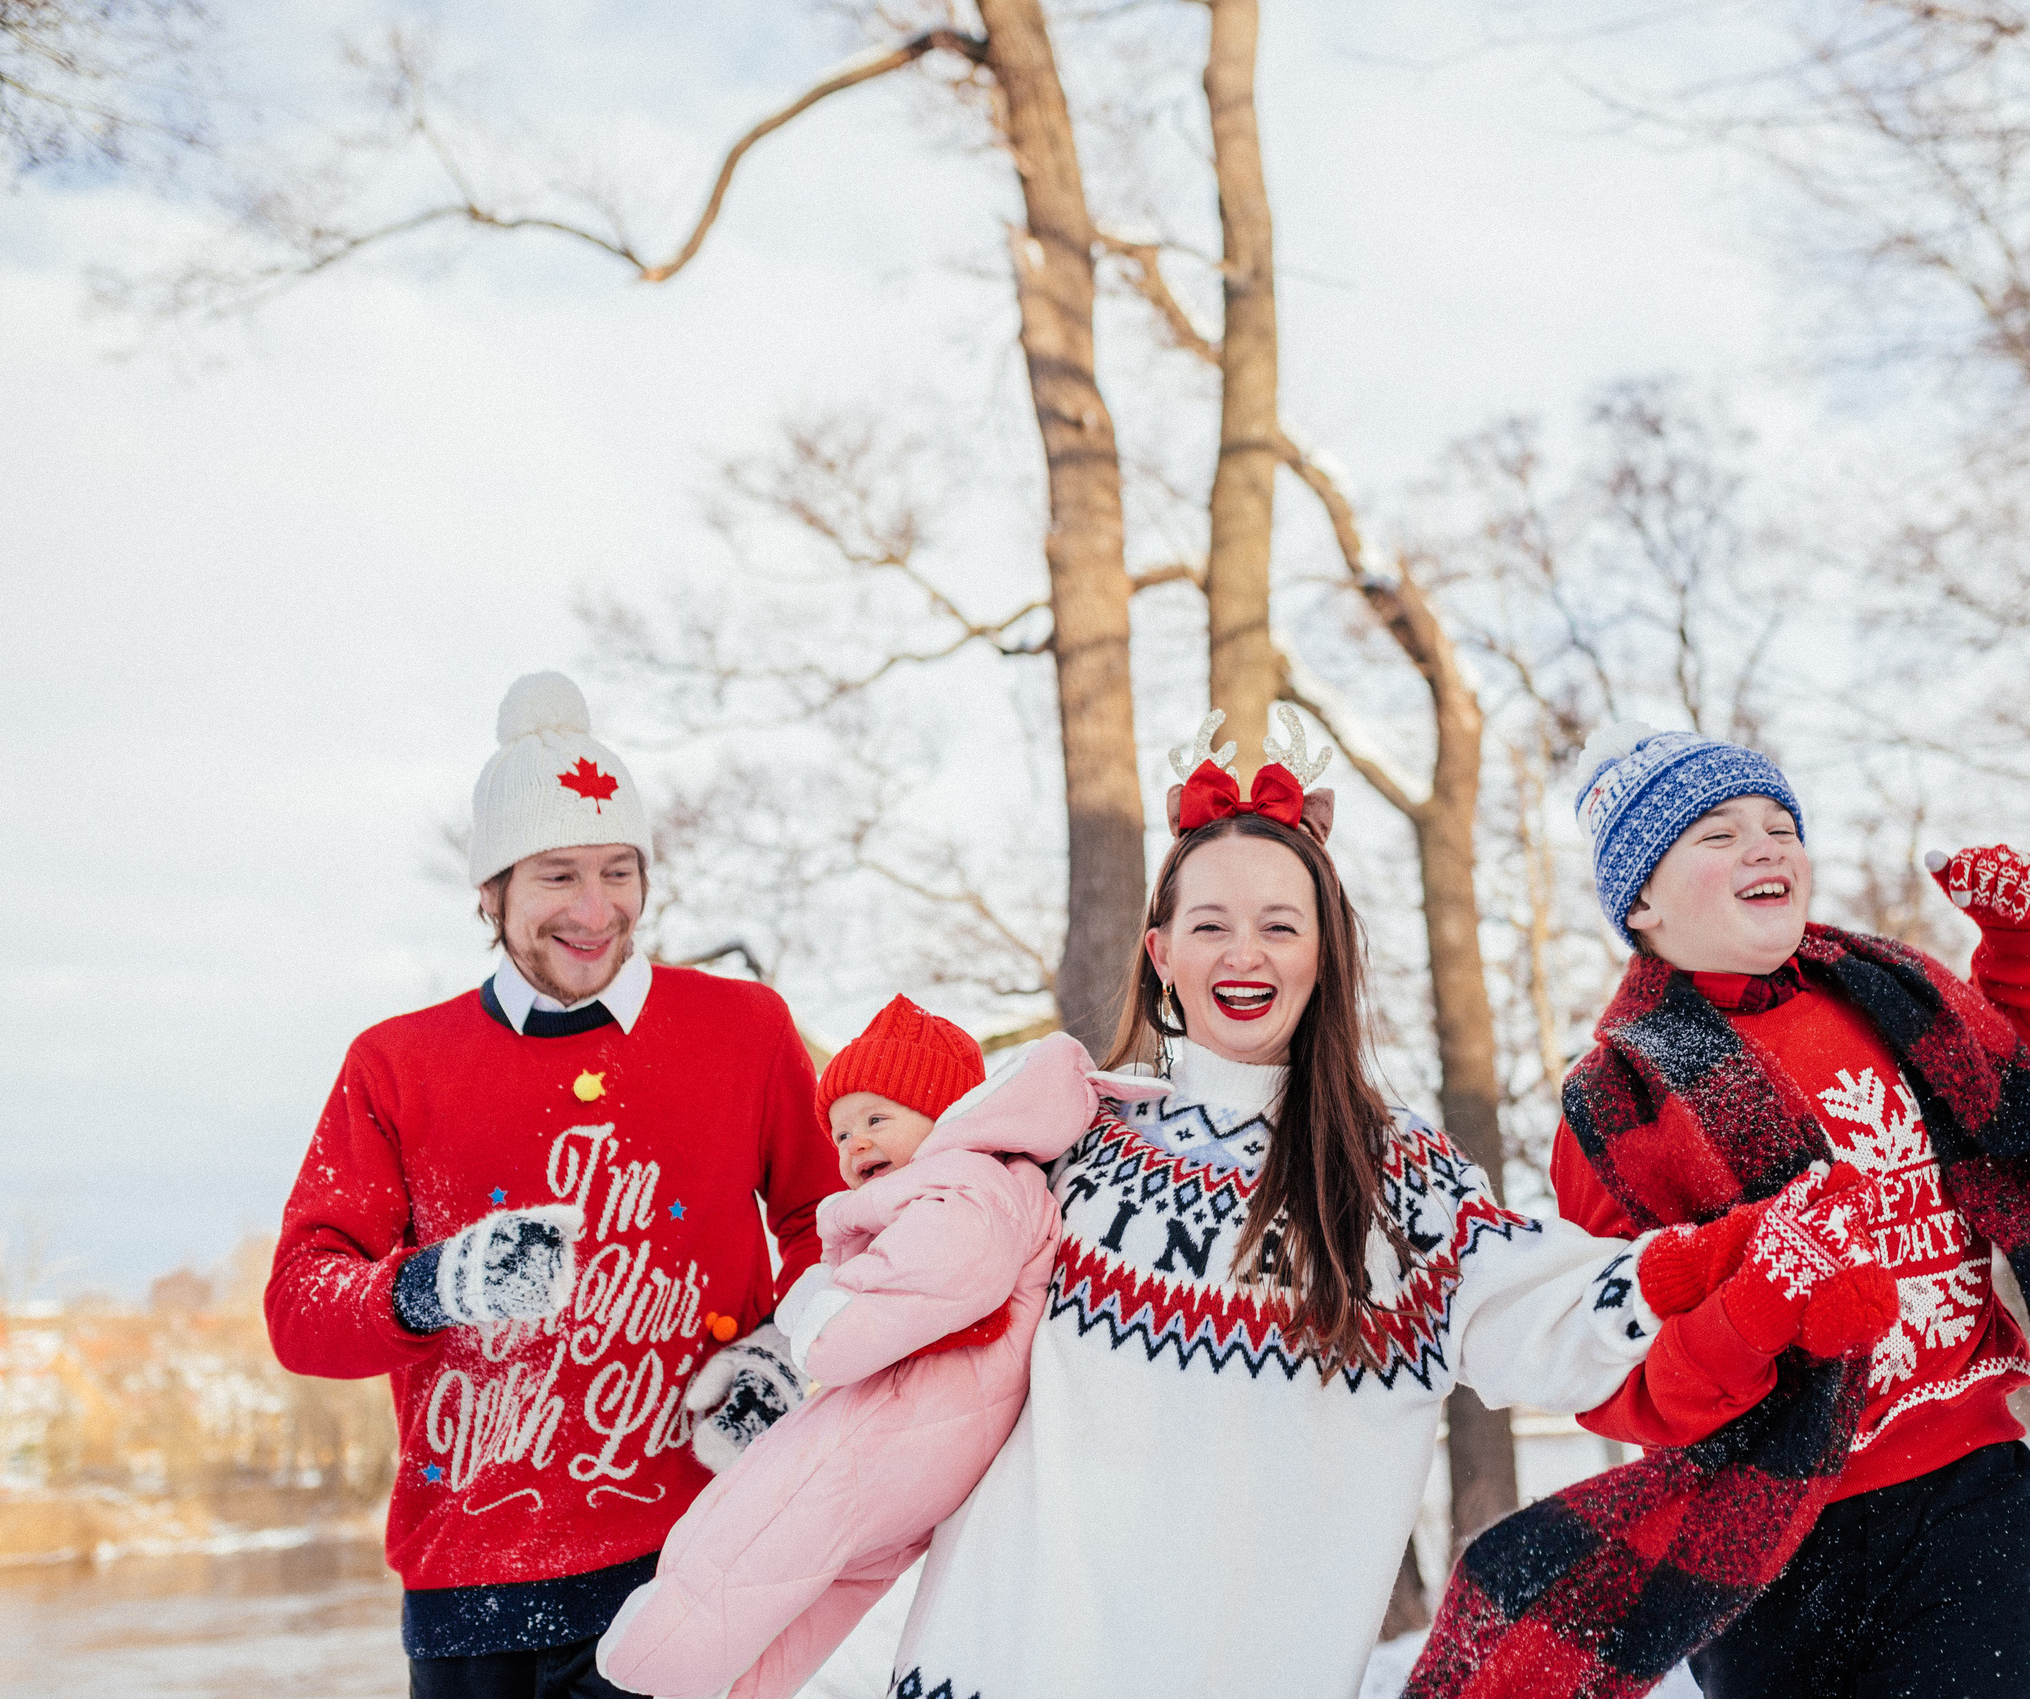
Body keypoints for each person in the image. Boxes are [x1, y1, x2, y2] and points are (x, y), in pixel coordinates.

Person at [884, 707, 1808, 1699]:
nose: (1246, 952)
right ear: (1160, 954)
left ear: (1325, 951)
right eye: (1210, 925)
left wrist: (1746, 1257)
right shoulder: (1067, 1138)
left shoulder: (1398, 1179)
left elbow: (1554, 1314)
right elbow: (895, 1301)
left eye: (1281, 924)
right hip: (988, 1663)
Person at [1403, 725, 2030, 1699]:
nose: (1764, 844)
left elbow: (2004, 1104)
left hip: (1971, 1492)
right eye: (1716, 833)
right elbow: (1618, 1367)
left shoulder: (1884, 993)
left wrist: (2021, 946)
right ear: (1642, 901)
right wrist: (1754, 1307)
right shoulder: (1617, 1105)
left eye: (1779, 823)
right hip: (1767, 1538)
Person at [264, 671, 843, 1698]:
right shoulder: (395, 1063)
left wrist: (787, 1350)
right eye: (556, 875)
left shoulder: (745, 1030)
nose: (594, 909)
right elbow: (301, 1310)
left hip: (690, 1552)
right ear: (489, 892)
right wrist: (433, 1283)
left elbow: (829, 1223)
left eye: (618, 870)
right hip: (470, 1592)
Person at [595, 1004, 1166, 1699]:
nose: (854, 1143)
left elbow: (844, 1334)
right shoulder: (977, 1190)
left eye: (876, 1118)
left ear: (940, 1111)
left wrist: (811, 1304)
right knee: (820, 1594)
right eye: (840, 1131)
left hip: (895, 1435)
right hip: (927, 1443)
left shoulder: (970, 1190)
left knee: (757, 1522)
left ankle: (647, 1662)